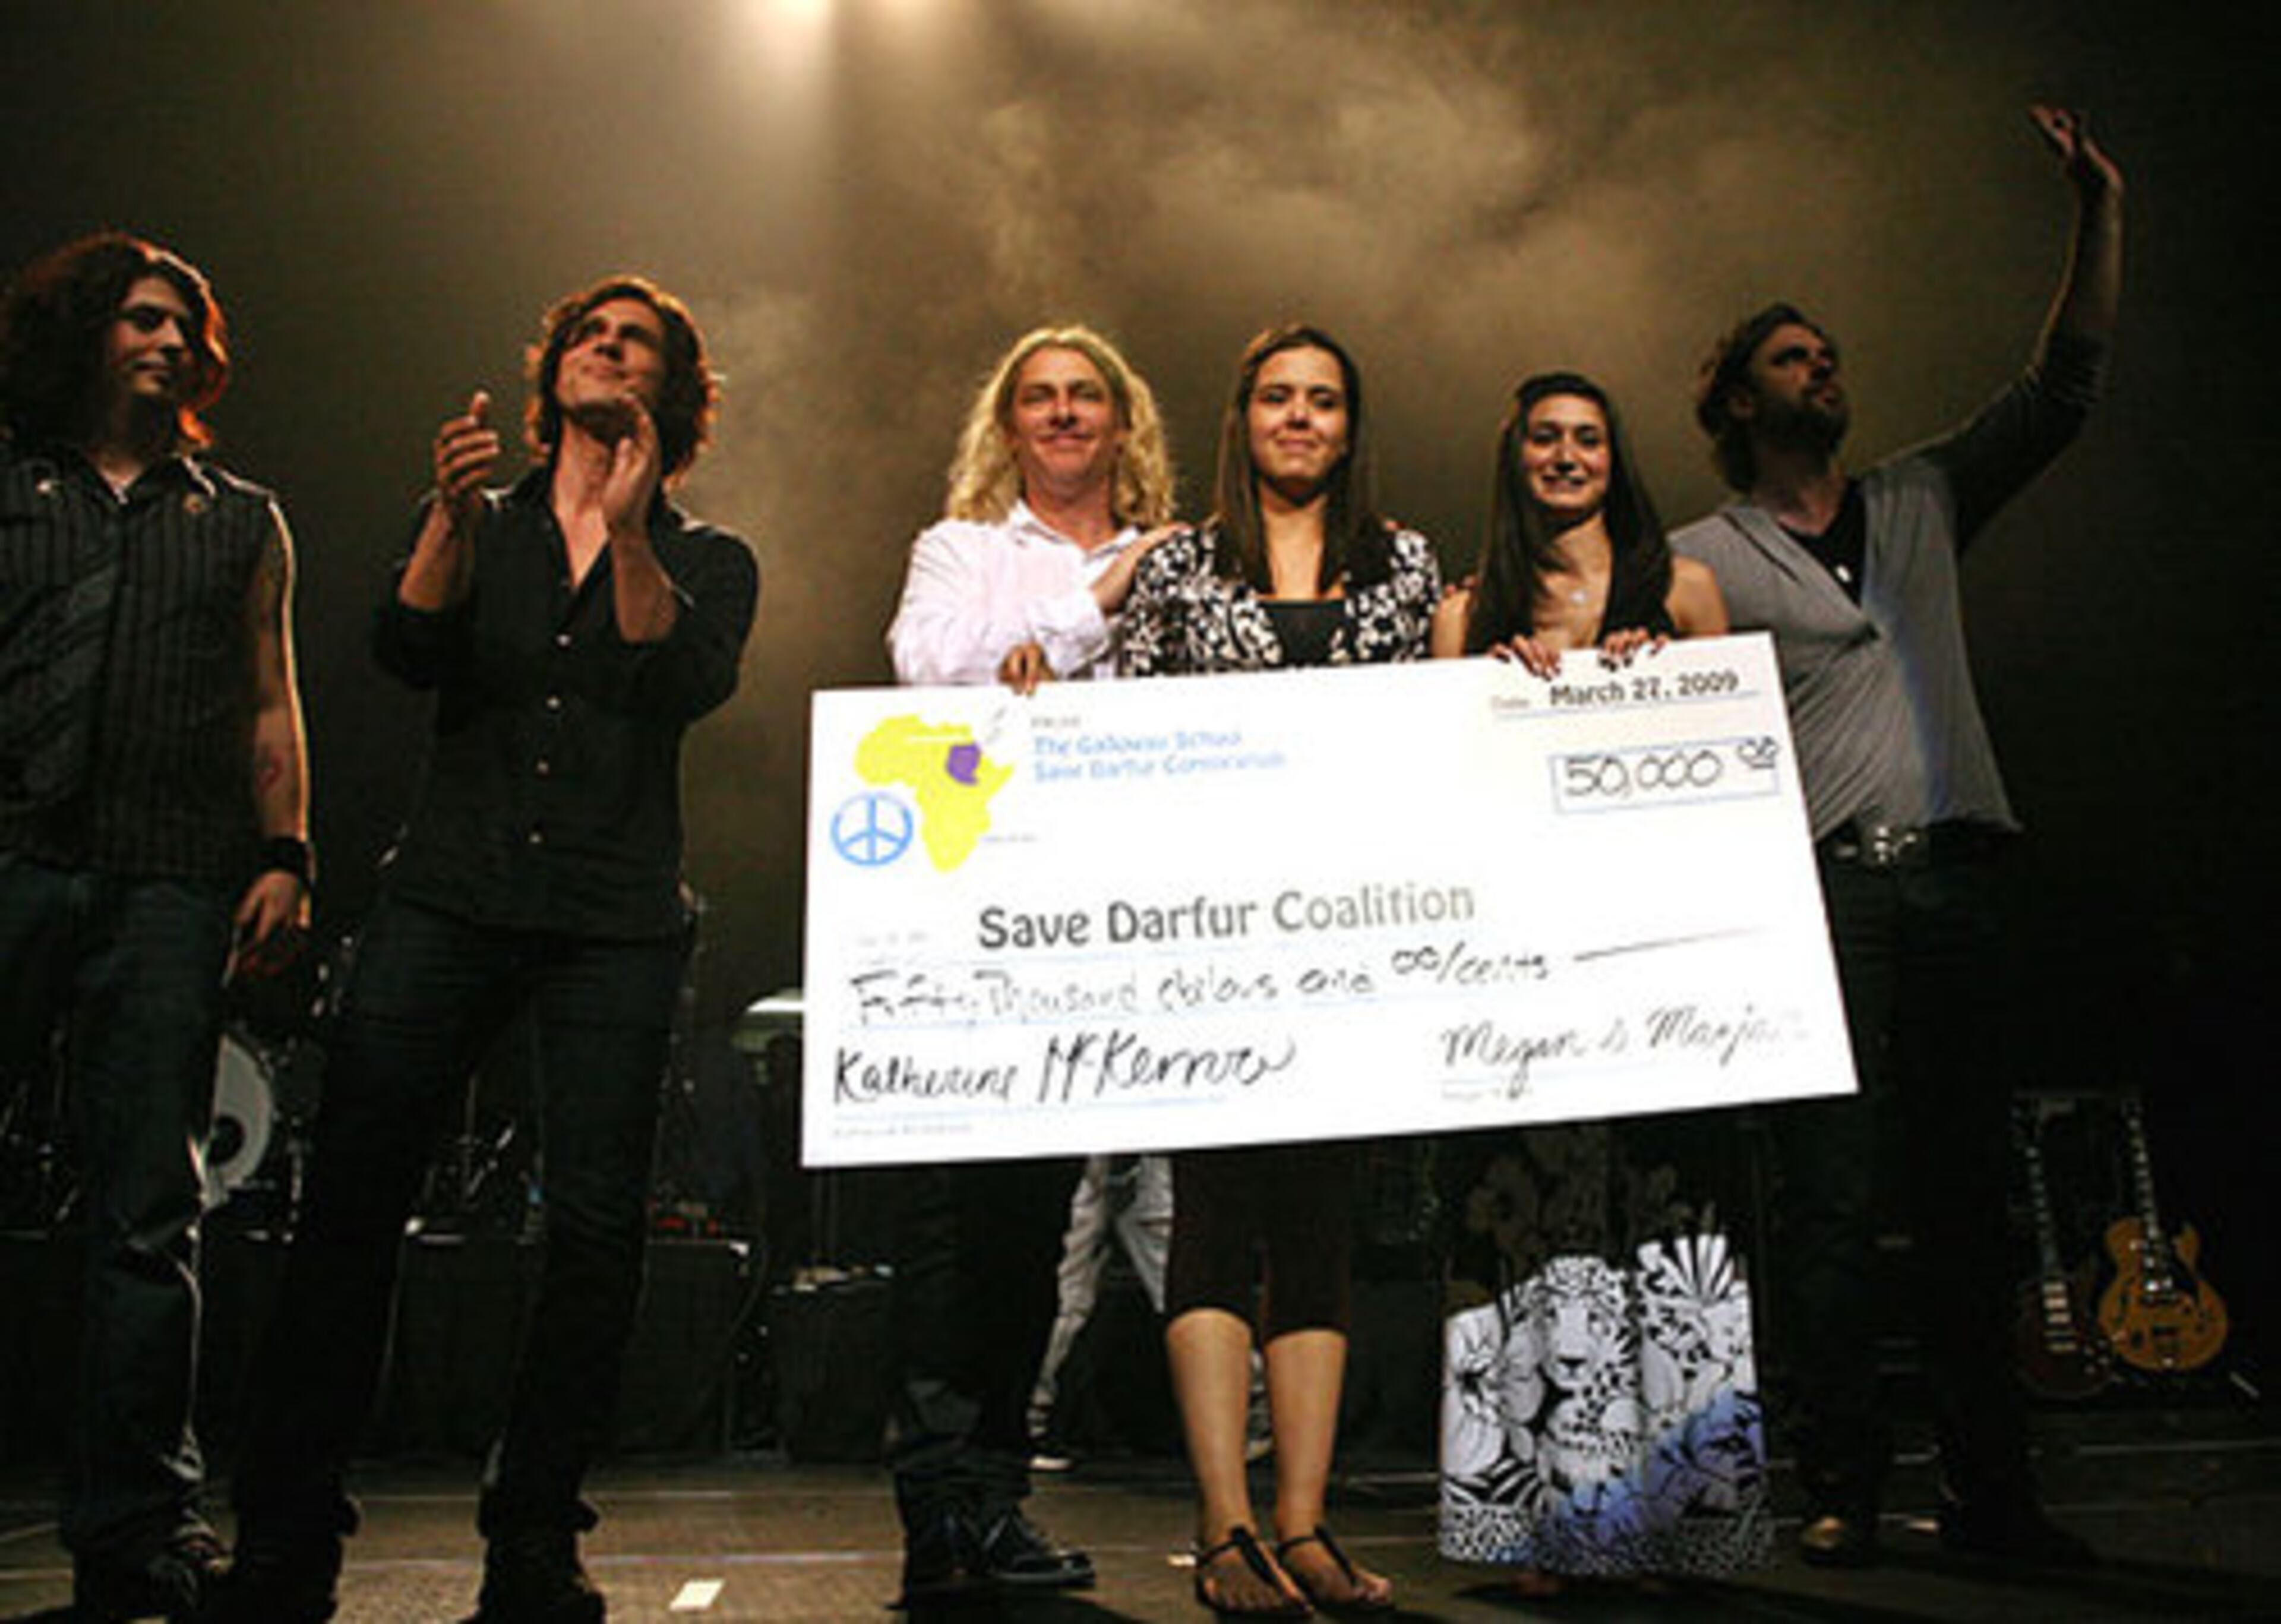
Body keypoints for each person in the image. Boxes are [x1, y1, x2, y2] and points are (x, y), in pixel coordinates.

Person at [218, 276, 757, 1623]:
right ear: (552, 372)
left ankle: (533, 1533)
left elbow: (675, 676)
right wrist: (452, 519)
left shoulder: (710, 556)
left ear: (672, 391)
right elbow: (405, 646)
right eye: (591, 335)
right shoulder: (484, 521)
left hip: (613, 917)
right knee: (350, 1202)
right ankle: (288, 1530)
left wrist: (626, 526)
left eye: (637, 344)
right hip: (449, 895)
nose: (609, 351)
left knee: (594, 1231)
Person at [1670, 106, 2123, 1570]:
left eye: (1830, 355)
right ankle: (1842, 1482)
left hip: (1962, 880)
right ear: (1737, 398)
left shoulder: (1921, 494)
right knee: (1831, 1203)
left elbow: (2059, 389)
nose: (1824, 370)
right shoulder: (1701, 558)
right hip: (1829, 899)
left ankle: (1996, 1492)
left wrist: (2097, 211)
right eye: (1792, 358)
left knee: (1970, 1201)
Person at [0, 232, 308, 1623]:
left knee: (151, 1213)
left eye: (185, 325)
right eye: (140, 318)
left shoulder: (241, 517)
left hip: (171, 879)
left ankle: (137, 1527)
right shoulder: (12, 487)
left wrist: (288, 852)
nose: (168, 341)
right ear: (84, 333)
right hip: (14, 854)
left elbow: (271, 694)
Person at [1120, 323, 1439, 1617]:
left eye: (1323, 400)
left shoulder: (1406, 562)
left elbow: (1441, 730)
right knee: (1212, 1216)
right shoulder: (1178, 566)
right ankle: (1224, 1528)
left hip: (1353, 931)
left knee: (1319, 1224)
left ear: (1352, 426)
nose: (1300, 417)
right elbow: (1125, 736)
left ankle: (1304, 1525)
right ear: (1241, 418)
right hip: (1211, 929)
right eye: (1277, 398)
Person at [1430, 372, 1761, 1593]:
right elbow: (1435, 789)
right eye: (1546, 437)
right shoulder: (1466, 611)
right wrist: (1490, 689)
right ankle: (1561, 1528)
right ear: (1513, 455)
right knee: (1542, 1230)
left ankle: (1685, 1522)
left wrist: (1660, 681)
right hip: (1523, 970)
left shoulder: (1687, 591)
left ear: (1617, 460)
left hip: (1662, 967)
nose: (1567, 455)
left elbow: (1740, 765)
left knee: (1669, 1224)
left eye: (1589, 438)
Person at [881, 323, 1176, 1604]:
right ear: (1008, 427)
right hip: (981, 914)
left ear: (1122, 421)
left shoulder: (1179, 556)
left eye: (1084, 396)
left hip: (1126, 913)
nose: (1062, 414)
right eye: (1039, 398)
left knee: (1051, 1222)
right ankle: (940, 1509)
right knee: (959, 1221)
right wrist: (1093, 603)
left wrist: (1058, 644)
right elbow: (930, 668)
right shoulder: (960, 550)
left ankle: (992, 1501)